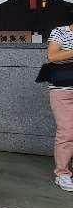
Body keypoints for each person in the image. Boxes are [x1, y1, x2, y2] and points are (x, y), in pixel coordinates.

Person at [46, 25, 73, 192]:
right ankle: (62, 173)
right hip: (63, 90)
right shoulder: (60, 32)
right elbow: (52, 56)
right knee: (67, 131)